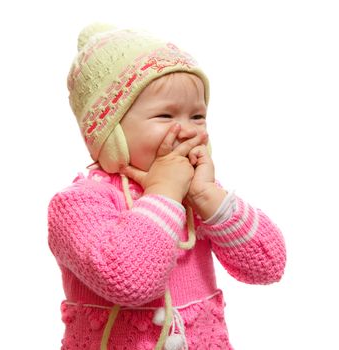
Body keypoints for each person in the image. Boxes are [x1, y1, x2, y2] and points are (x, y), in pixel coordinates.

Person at [48, 23, 286, 350]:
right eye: (165, 115)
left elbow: (268, 264)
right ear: (110, 133)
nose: (187, 130)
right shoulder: (77, 206)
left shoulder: (198, 196)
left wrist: (209, 197)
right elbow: (130, 281)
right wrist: (164, 192)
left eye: (197, 116)